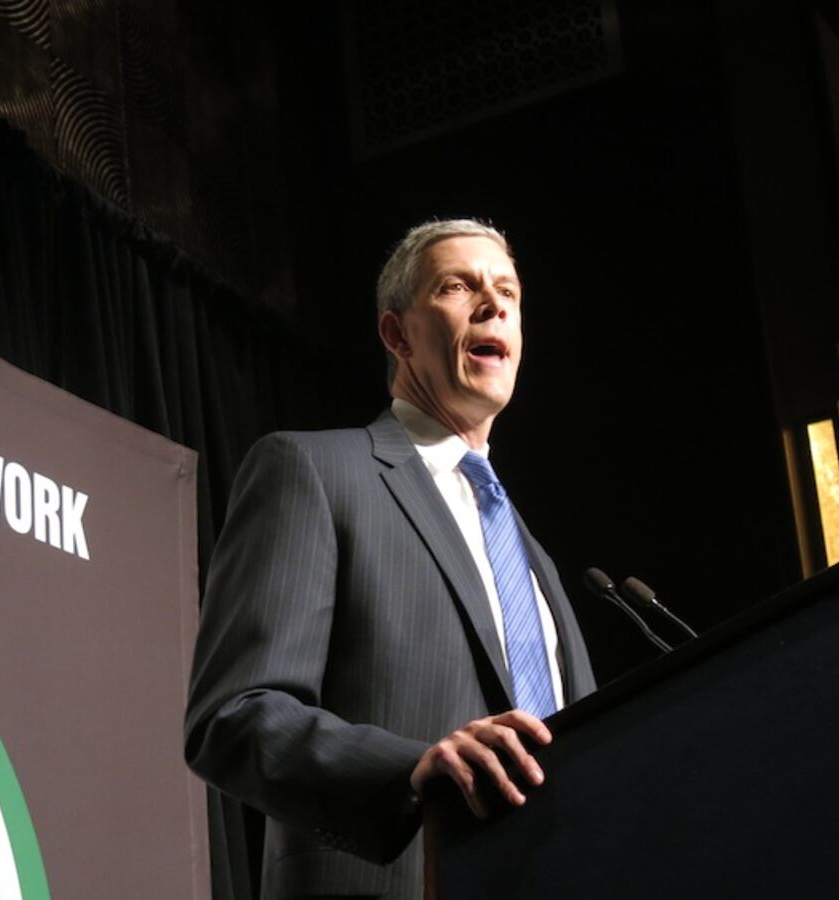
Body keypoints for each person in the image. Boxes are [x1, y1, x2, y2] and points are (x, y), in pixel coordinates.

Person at [185, 218, 597, 900]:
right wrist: (408, 771)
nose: (493, 305)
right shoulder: (313, 472)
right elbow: (232, 718)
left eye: (508, 292)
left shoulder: (537, 562)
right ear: (397, 334)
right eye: (459, 286)